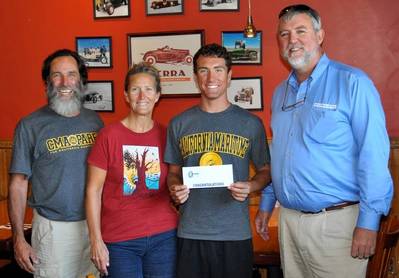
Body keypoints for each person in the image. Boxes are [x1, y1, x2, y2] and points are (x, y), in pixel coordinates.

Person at [255, 4, 393, 278]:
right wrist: (266, 203)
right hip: (289, 223)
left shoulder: (353, 83)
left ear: (320, 36)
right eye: (284, 34)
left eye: (300, 31)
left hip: (338, 225)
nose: (292, 40)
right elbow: (281, 153)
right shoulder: (280, 93)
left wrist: (368, 223)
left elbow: (374, 154)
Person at [165, 43, 271, 278]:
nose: (211, 76)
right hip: (191, 232)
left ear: (229, 75)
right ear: (195, 77)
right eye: (203, 70)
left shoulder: (250, 123)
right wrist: (174, 188)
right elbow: (173, 172)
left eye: (218, 69)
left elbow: (266, 170)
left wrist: (251, 186)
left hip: (234, 234)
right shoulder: (179, 123)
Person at [8, 49, 103, 277]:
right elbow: (18, 185)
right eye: (56, 75)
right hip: (53, 231)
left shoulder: (95, 121)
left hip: (94, 228)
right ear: (47, 82)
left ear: (80, 80)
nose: (64, 82)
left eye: (71, 74)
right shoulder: (30, 125)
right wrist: (19, 238)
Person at [86, 62, 178, 277]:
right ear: (126, 95)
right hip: (119, 242)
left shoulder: (167, 135)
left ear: (157, 95)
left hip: (164, 236)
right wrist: (95, 240)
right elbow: (93, 191)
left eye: (148, 89)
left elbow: (175, 179)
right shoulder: (108, 136)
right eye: (135, 89)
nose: (141, 96)